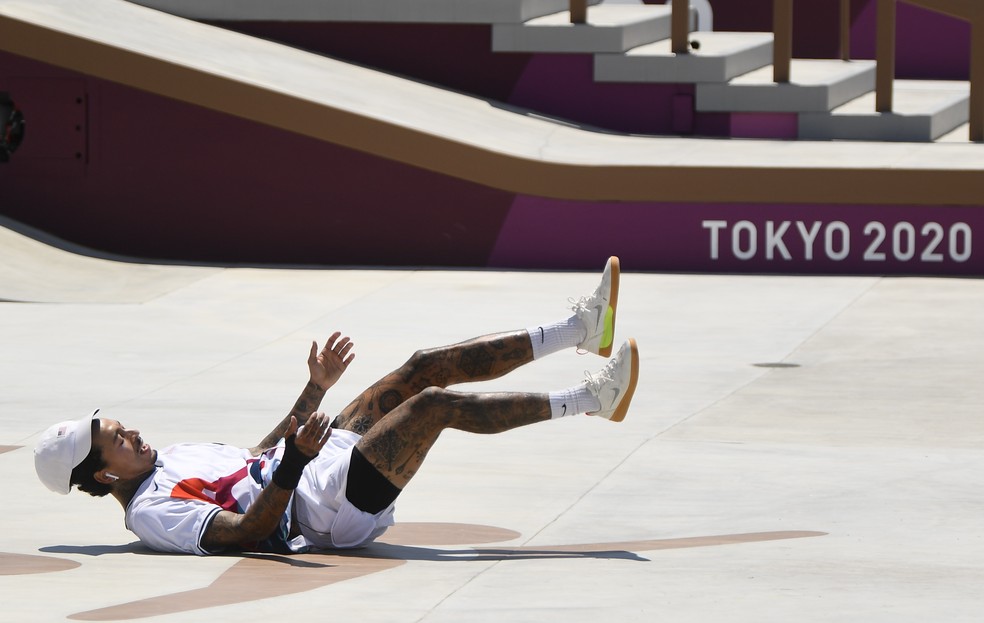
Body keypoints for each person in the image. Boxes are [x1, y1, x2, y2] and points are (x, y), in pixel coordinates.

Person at [34, 257, 639, 555]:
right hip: (323, 512)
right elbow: (248, 532)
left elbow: (255, 459)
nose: (132, 433)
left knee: (421, 365)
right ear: (105, 473)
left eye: (120, 425)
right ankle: (593, 398)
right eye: (117, 438)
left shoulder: (168, 458)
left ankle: (581, 329)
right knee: (432, 405)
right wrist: (296, 463)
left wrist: (315, 390)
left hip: (309, 469)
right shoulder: (151, 513)